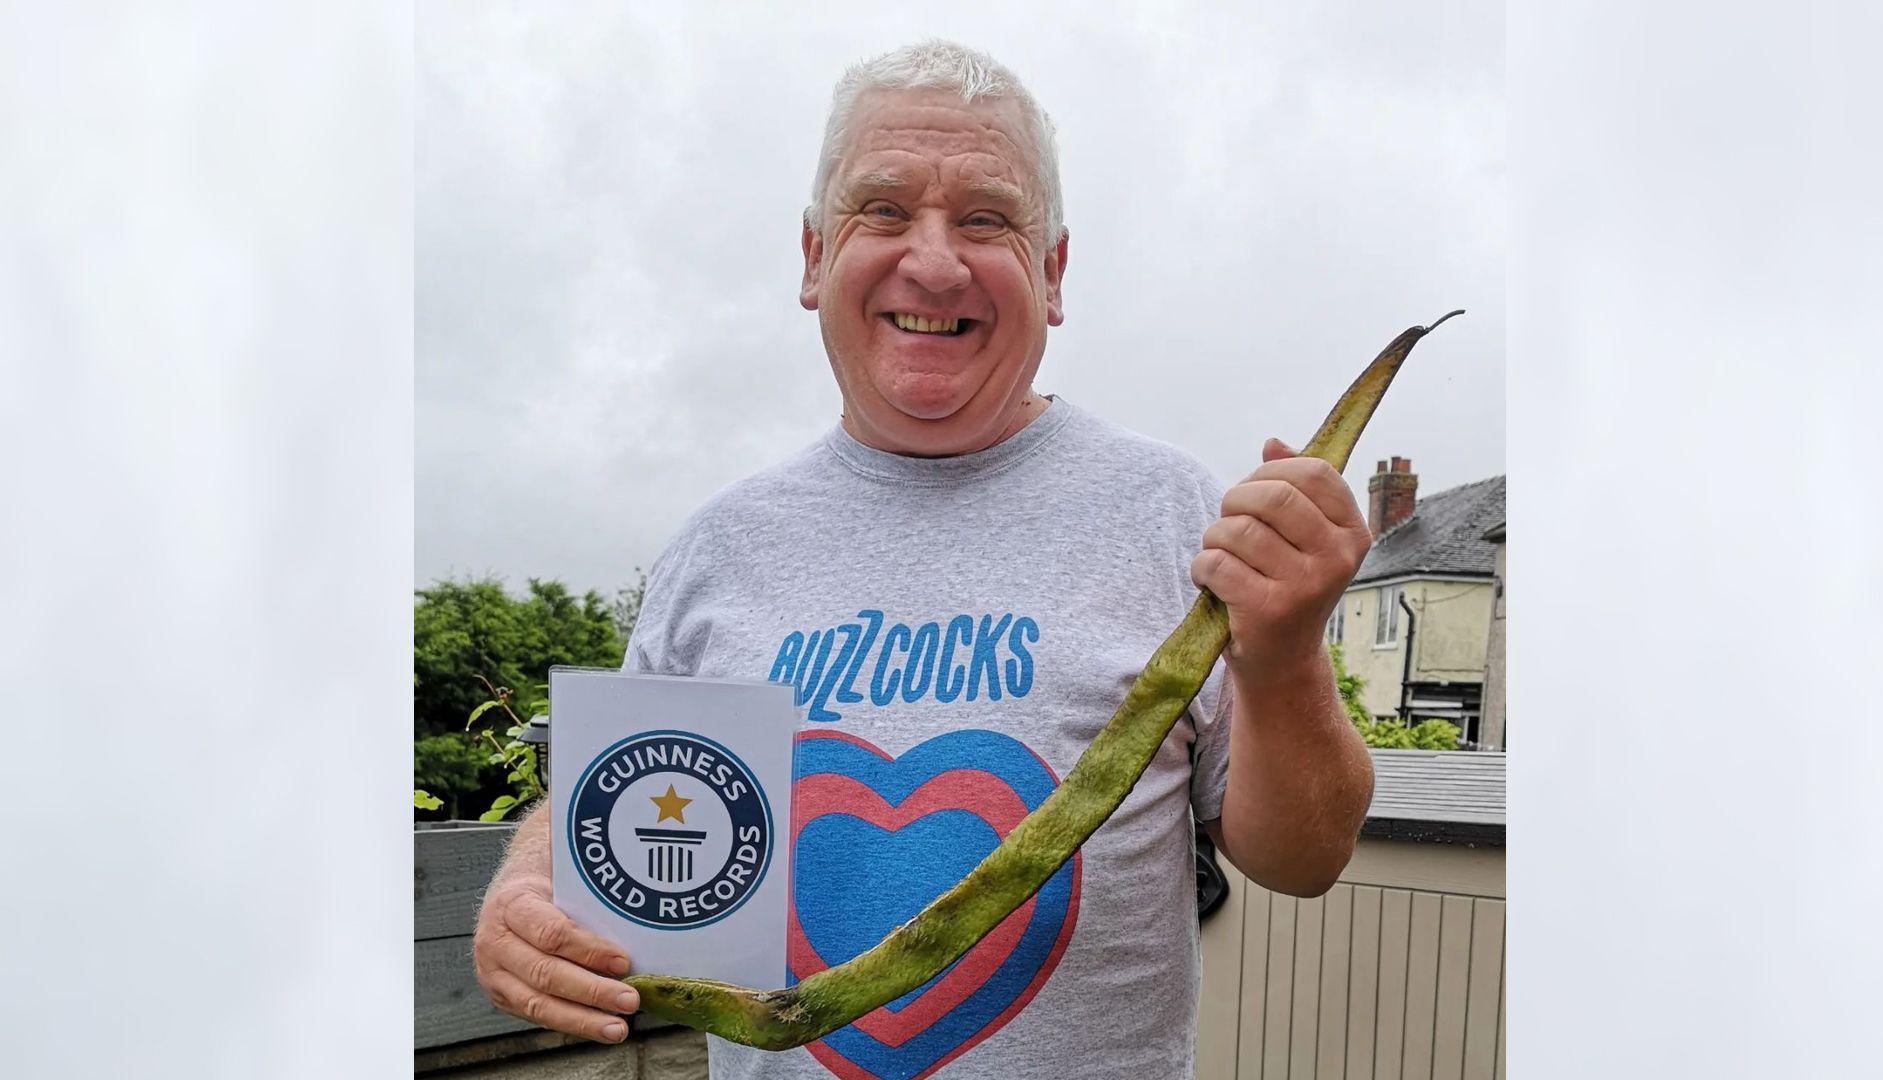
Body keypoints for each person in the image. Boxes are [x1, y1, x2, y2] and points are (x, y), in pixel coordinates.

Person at [471, 39, 1374, 1079]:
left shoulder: (1174, 513)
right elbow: (618, 806)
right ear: (814, 257)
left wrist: (1289, 654)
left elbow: (1303, 860)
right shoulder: (720, 546)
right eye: (884, 210)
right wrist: (527, 889)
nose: (935, 261)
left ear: (1054, 271)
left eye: (988, 218)